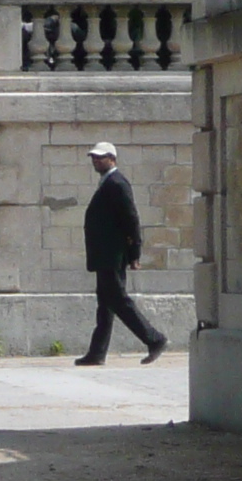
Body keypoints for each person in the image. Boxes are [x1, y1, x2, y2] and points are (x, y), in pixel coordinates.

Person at [79, 141, 166, 366]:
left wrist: (135, 252)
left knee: (118, 300)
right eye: (94, 158)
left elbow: (131, 218)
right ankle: (97, 353)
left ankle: (154, 338)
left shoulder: (117, 183)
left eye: (101, 157)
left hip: (112, 256)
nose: (96, 161)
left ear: (113, 159)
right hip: (105, 256)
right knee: (105, 303)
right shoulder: (107, 183)